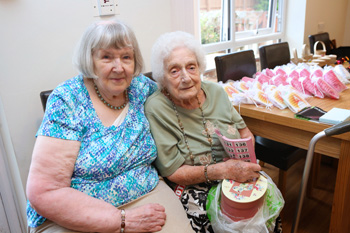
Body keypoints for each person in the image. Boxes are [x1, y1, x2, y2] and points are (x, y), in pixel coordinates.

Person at [26, 20, 193, 233]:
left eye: (126, 57)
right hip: (74, 210)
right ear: (90, 60)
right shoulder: (67, 100)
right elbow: (45, 191)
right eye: (106, 57)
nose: (119, 67)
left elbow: (183, 96)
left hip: (145, 193)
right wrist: (121, 220)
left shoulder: (143, 89)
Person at [145, 31, 282, 233]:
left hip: (235, 171)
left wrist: (245, 160)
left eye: (191, 67)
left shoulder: (217, 92)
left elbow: (245, 132)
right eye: (174, 71)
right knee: (206, 215)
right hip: (193, 184)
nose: (185, 77)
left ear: (200, 68)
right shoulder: (157, 108)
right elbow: (173, 172)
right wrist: (224, 171)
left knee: (265, 203)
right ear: (162, 78)